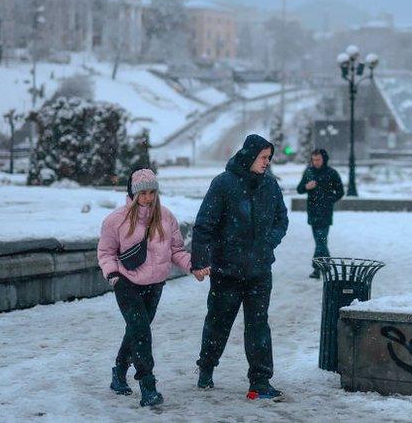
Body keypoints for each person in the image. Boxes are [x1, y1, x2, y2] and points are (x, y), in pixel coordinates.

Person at [191, 134, 289, 401]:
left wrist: (268, 244)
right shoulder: (223, 184)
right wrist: (200, 260)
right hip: (227, 272)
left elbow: (282, 218)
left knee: (258, 326)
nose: (267, 162)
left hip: (259, 272)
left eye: (269, 158)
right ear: (249, 156)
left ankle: (260, 381)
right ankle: (207, 366)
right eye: (263, 157)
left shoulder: (270, 185)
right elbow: (204, 225)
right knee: (218, 323)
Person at [97, 168, 198, 408]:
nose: (148, 198)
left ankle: (119, 372)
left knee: (136, 330)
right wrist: (113, 276)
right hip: (126, 283)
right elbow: (106, 253)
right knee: (141, 331)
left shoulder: (166, 217)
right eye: (143, 193)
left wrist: (193, 267)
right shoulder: (115, 220)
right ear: (133, 193)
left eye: (153, 192)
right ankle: (148, 385)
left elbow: (177, 251)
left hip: (155, 285)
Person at [296, 148, 344, 279]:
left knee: (321, 241)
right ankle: (327, 264)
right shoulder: (309, 172)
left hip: (325, 212)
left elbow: (340, 191)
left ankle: (317, 268)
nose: (315, 162)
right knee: (320, 242)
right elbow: (299, 189)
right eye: (314, 159)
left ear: (324, 159)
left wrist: (329, 200)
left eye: (318, 159)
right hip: (312, 211)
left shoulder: (331, 173)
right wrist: (307, 187)